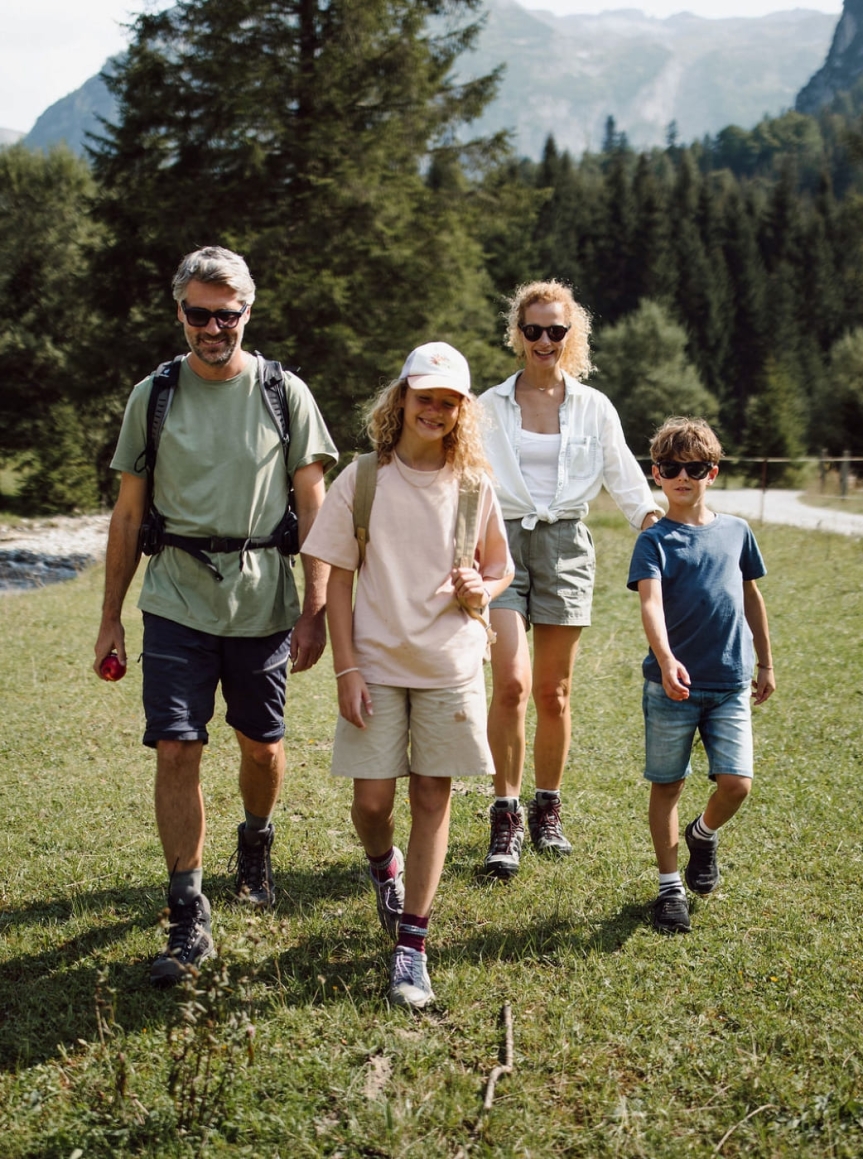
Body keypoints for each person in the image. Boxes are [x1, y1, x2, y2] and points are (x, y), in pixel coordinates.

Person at [93, 246, 338, 987]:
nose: (212, 326)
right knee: (177, 748)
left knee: (260, 748)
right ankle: (186, 905)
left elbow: (313, 506)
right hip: (174, 598)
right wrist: (110, 616)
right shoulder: (154, 394)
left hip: (263, 600)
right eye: (198, 313)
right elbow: (129, 512)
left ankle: (256, 838)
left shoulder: (283, 392)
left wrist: (316, 608)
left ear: (246, 314)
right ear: (180, 313)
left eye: (225, 314)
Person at [302, 342, 513, 1008]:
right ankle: (383, 867)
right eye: (425, 398)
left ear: (462, 411)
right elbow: (336, 579)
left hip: (450, 661)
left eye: (449, 402)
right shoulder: (362, 478)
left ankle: (411, 947)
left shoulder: (474, 484)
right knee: (371, 802)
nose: (435, 411)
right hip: (374, 660)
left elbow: (501, 567)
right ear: (401, 400)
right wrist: (345, 666)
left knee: (431, 794)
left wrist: (482, 582)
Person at [478, 280, 662, 878]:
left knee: (554, 692)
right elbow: (459, 477)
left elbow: (627, 481)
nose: (544, 340)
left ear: (571, 335)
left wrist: (665, 530)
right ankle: (504, 815)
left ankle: (546, 809)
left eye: (556, 330)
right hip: (500, 543)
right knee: (510, 684)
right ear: (518, 334)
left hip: (565, 546)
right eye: (533, 329)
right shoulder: (487, 406)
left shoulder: (594, 407)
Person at [627, 417, 775, 934]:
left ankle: (703, 834)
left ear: (712, 472)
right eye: (671, 468)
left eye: (694, 468)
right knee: (667, 785)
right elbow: (650, 605)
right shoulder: (655, 539)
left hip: (731, 682)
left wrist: (766, 662)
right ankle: (670, 890)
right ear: (657, 473)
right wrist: (666, 661)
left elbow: (751, 596)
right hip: (672, 686)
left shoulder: (737, 531)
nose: (682, 476)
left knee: (737, 783)